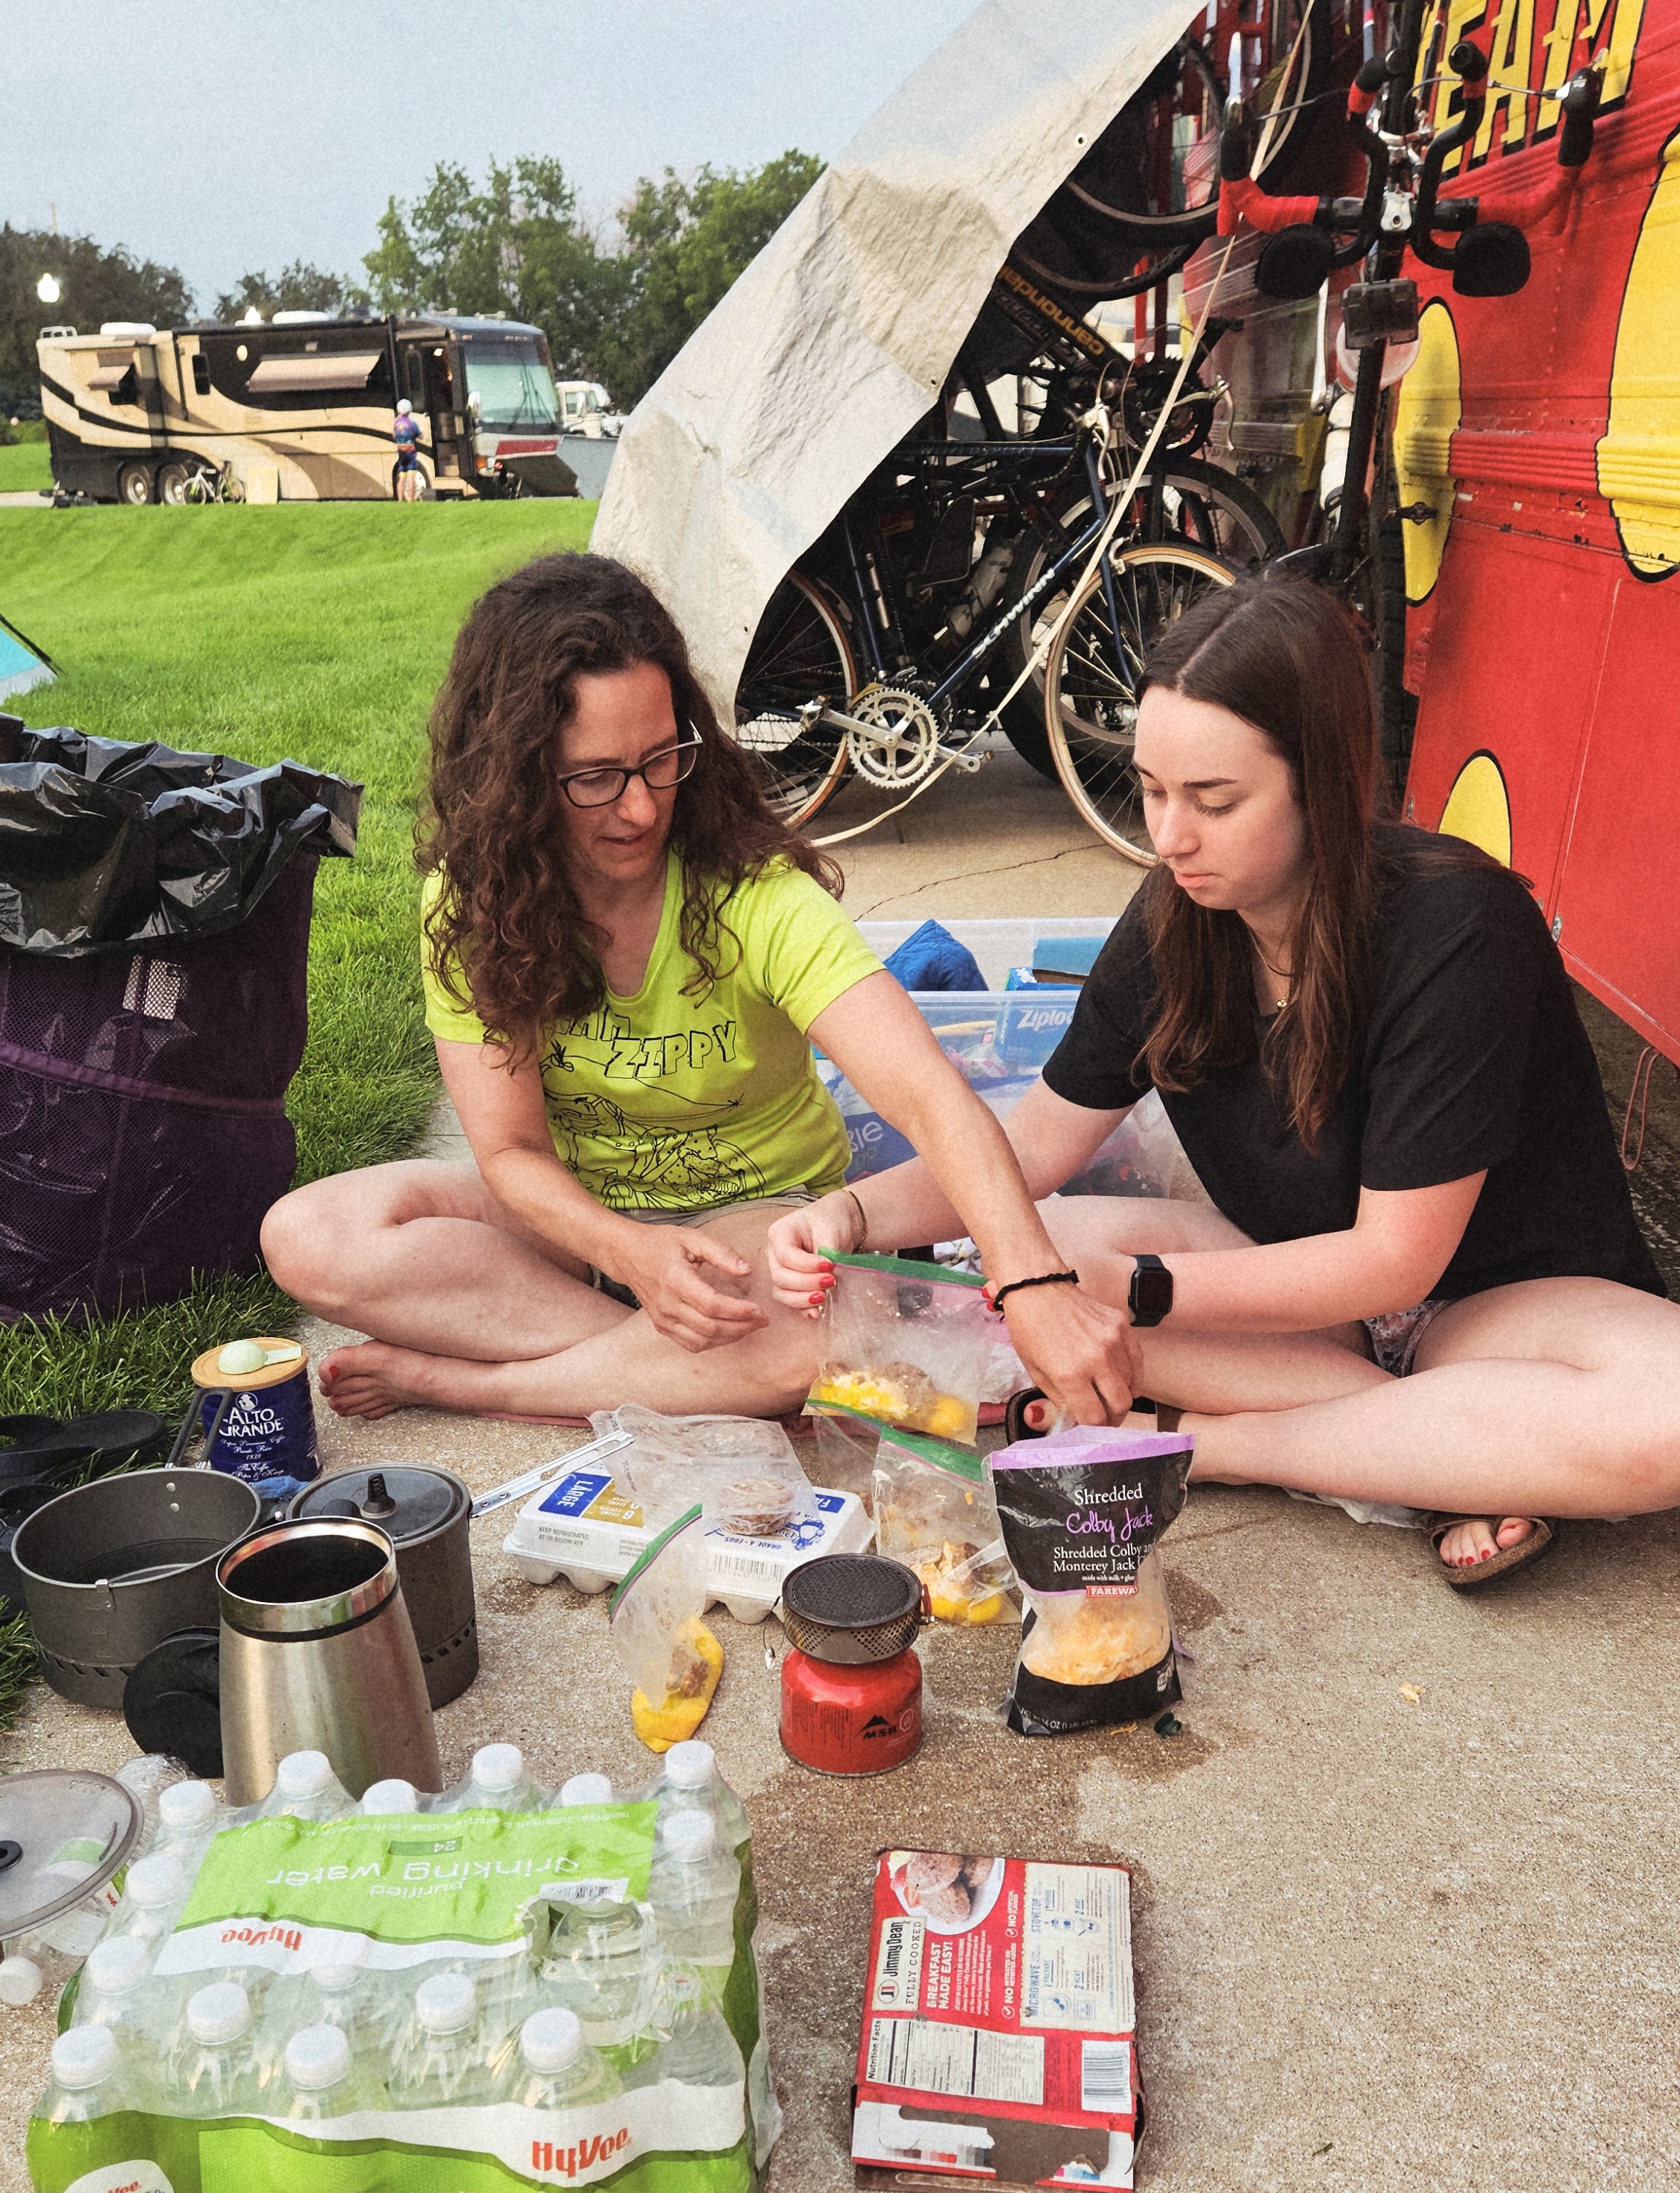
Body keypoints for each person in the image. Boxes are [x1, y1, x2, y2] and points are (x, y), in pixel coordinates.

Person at [769, 575, 1680, 1587]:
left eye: (1214, 801)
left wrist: (1134, 1290)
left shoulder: (1457, 930)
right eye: (1152, 790)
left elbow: (1396, 1265)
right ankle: (1442, 1451)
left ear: (1319, 784)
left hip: (1498, 1308)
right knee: (1023, 1253)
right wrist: (850, 1215)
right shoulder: (1175, 919)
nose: (1170, 837)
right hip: (1290, 1300)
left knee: (1669, 1413)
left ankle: (1202, 1445)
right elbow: (1028, 1151)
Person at [261, 552, 1135, 1425]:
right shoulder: (474, 901)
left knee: (805, 1324)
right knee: (308, 1236)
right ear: (515, 775)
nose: (641, 807)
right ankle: (681, 1366)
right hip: (576, 1222)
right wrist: (629, 1254)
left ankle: (479, 1384)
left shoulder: (756, 894)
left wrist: (1030, 1276)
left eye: (661, 759)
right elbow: (511, 1153)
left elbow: (929, 1096)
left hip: (757, 1225)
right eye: (595, 777)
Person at [393, 398, 424, 499]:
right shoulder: (412, 423)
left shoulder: (396, 422)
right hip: (411, 453)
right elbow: (420, 436)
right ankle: (410, 500)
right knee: (411, 478)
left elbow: (394, 435)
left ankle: (400, 500)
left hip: (401, 453)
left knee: (402, 478)